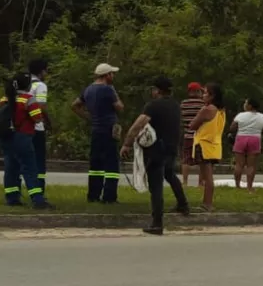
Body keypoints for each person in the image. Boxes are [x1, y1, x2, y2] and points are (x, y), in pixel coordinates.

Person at [120, 76, 189, 235]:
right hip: (172, 148)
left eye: (153, 89)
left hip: (157, 149)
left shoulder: (153, 106)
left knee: (156, 186)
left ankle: (157, 223)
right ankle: (183, 204)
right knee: (170, 174)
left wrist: (127, 144)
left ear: (157, 90)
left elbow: (138, 124)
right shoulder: (175, 106)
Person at [0, 73, 54, 209]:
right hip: (22, 137)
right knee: (29, 168)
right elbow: (37, 118)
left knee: (11, 167)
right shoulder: (28, 99)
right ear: (27, 85)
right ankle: (38, 200)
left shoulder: (4, 99)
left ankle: (12, 198)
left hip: (5, 137)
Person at [71, 63, 124, 204]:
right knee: (112, 164)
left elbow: (75, 105)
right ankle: (109, 196)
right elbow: (119, 107)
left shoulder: (88, 89)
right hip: (109, 129)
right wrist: (115, 93)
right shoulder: (108, 89)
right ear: (106, 75)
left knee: (96, 164)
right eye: (112, 74)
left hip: (96, 129)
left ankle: (93, 195)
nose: (113, 76)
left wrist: (88, 117)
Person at [188, 83, 226, 212]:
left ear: (212, 96)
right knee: (208, 176)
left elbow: (192, 125)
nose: (203, 96)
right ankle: (206, 202)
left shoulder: (207, 109)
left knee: (207, 177)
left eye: (205, 93)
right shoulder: (221, 111)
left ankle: (208, 203)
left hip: (204, 144)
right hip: (215, 145)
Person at [230, 98, 263, 192]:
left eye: (246, 103)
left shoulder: (240, 115)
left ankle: (237, 185)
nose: (244, 104)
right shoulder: (262, 116)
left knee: (239, 164)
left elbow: (232, 128)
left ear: (250, 106)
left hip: (241, 138)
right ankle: (249, 187)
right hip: (255, 139)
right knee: (251, 166)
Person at [28, 59, 50, 192]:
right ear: (41, 71)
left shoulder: (23, 83)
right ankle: (39, 189)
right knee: (39, 160)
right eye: (46, 70)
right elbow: (41, 107)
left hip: (23, 128)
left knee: (25, 161)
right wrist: (48, 121)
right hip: (37, 128)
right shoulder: (40, 86)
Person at [180, 82, 205, 187]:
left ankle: (185, 182)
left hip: (188, 135)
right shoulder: (203, 104)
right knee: (201, 161)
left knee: (186, 159)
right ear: (198, 91)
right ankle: (200, 183)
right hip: (201, 136)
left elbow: (181, 118)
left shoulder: (183, 104)